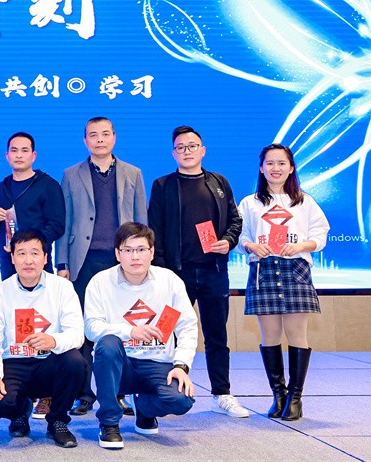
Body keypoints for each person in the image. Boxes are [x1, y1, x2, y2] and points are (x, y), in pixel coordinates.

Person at [147, 126, 249, 418]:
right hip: (176, 275)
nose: (187, 151)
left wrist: (228, 241)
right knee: (166, 334)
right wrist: (162, 274)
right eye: (181, 147)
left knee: (217, 335)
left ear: (203, 150)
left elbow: (235, 220)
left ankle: (222, 394)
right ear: (173, 153)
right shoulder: (163, 185)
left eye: (192, 146)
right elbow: (155, 230)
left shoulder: (219, 182)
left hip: (214, 273)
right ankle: (161, 392)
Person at [56, 116, 147, 416]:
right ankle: (83, 394)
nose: (99, 140)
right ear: (85, 140)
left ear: (114, 137)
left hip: (120, 260)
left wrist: (142, 259)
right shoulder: (71, 175)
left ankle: (118, 392)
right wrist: (62, 262)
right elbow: (65, 221)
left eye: (105, 134)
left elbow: (141, 222)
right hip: (83, 260)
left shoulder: (133, 173)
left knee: (119, 326)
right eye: (93, 135)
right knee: (83, 327)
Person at [237, 144, 329, 421]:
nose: (275, 168)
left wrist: (301, 245)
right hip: (263, 270)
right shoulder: (250, 202)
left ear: (291, 168)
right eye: (270, 163)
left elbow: (321, 235)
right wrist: (252, 246)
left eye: (281, 163)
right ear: (261, 168)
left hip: (295, 270)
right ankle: (278, 395)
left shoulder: (304, 202)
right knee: (270, 336)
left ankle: (295, 398)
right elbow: (240, 237)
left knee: (297, 335)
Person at [84, 222, 197, 450]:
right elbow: (91, 328)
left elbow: (187, 326)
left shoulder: (169, 281)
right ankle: (109, 422)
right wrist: (130, 331)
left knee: (181, 401)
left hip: (157, 362)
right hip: (120, 364)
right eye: (128, 250)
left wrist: (181, 366)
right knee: (107, 344)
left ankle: (144, 408)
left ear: (152, 252)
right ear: (118, 254)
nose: (135, 256)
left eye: (141, 249)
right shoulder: (100, 282)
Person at [0, 230, 86, 448]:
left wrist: (53, 341)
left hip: (49, 362)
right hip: (14, 363)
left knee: (75, 361)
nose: (28, 260)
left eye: (35, 253)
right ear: (12, 258)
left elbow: (77, 334)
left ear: (46, 258)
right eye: (21, 253)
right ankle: (20, 410)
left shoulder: (62, 288)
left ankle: (57, 421)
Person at [0, 131, 65, 280]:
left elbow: (57, 225)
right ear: (7, 156)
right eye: (14, 151)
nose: (19, 155)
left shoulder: (48, 185)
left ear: (33, 155)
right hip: (8, 260)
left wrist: (31, 245)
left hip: (37, 259)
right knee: (9, 295)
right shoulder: (1, 188)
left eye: (24, 151)